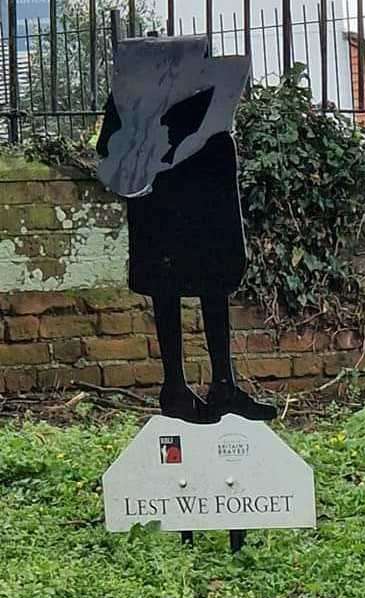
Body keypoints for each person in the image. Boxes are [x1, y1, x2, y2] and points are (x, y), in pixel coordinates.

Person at [96, 33, 276, 423]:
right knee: (167, 289)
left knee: (212, 286)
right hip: (165, 211)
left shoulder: (202, 90)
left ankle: (222, 385)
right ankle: (175, 387)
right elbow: (110, 152)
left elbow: (214, 135)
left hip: (205, 212)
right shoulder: (133, 96)